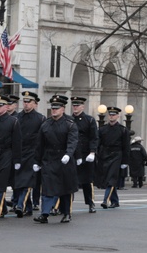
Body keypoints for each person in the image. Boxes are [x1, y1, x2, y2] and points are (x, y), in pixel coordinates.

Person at [32, 95, 79, 223]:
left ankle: (66, 213)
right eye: (53, 108)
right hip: (49, 159)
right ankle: (45, 213)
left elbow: (72, 141)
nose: (54, 110)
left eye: (57, 108)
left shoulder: (70, 124)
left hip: (64, 160)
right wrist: (37, 161)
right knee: (47, 187)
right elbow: (39, 145)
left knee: (65, 189)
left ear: (63, 109)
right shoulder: (46, 124)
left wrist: (68, 154)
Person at [11, 91, 45, 217]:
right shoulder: (17, 118)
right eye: (24, 101)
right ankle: (28, 207)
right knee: (19, 182)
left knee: (28, 181)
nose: (25, 104)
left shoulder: (40, 118)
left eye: (28, 102)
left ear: (35, 104)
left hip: (33, 153)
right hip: (20, 153)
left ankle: (20, 205)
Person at [70, 96, 99, 213]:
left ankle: (90, 203)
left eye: (77, 105)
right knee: (70, 180)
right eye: (74, 105)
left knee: (87, 181)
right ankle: (66, 204)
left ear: (83, 106)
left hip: (85, 153)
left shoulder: (89, 120)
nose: (75, 107)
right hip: (72, 153)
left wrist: (92, 152)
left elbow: (94, 137)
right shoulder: (69, 119)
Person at [97, 106, 130, 208]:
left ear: (118, 116)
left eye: (113, 115)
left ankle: (106, 200)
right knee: (109, 178)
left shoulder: (123, 130)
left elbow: (126, 147)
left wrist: (125, 161)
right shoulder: (102, 129)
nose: (111, 116)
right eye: (110, 115)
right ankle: (115, 201)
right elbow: (98, 143)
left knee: (111, 178)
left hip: (117, 155)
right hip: (105, 155)